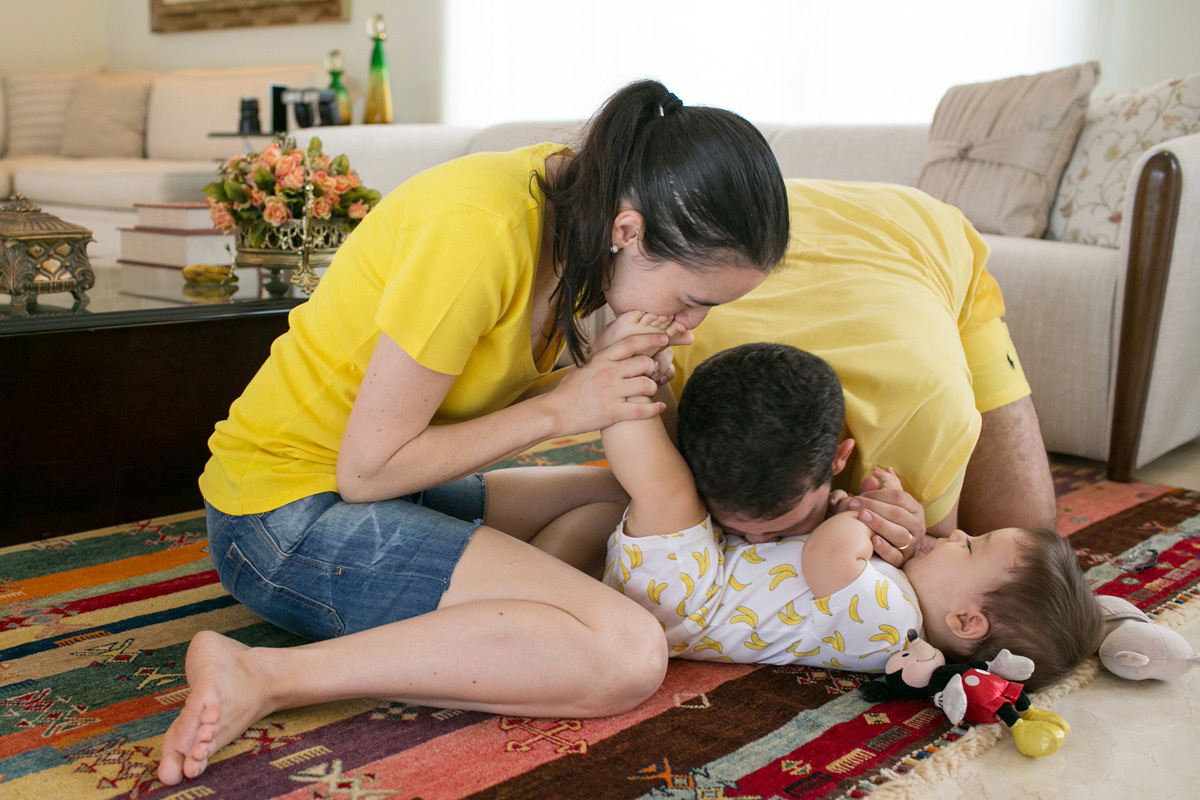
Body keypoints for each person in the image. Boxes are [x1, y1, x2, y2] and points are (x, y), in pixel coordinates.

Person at [155, 80, 797, 786]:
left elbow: (659, 480)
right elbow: (365, 472)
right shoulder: (481, 228)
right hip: (282, 514)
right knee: (626, 654)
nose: (690, 323)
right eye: (692, 301)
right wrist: (564, 409)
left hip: (392, 490)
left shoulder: (584, 212)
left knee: (640, 503)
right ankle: (264, 674)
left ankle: (513, 605)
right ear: (630, 230)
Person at [601, 327, 1100, 688]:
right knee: (641, 492)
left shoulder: (893, 622)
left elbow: (828, 557)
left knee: (666, 488)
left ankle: (617, 376)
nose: (954, 535)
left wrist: (858, 516)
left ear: (967, 622)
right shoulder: (897, 606)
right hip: (700, 581)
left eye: (971, 548)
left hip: (690, 600)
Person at [669, 179, 1058, 559]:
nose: (757, 549)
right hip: (761, 212)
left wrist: (914, 541)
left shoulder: (926, 412)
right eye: (734, 532)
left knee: (1026, 548)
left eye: (783, 529)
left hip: (913, 232)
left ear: (840, 457)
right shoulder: (671, 367)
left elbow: (939, 562)